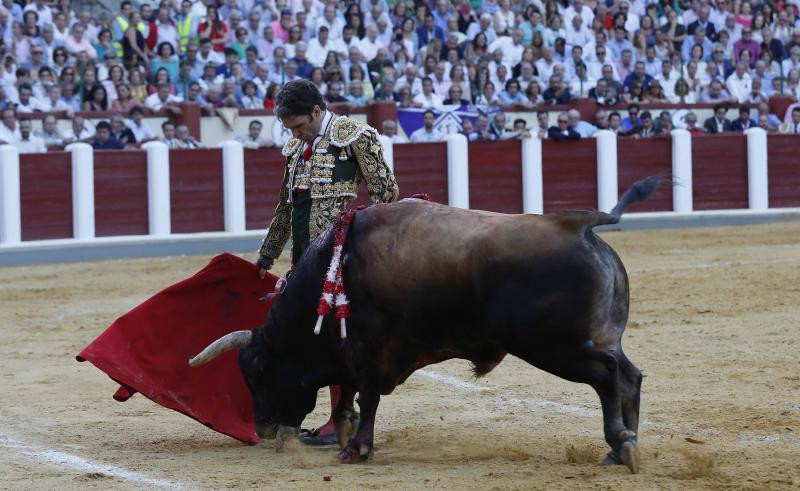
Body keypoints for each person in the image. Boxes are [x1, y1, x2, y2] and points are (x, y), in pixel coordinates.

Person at [256, 80, 398, 447]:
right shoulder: (294, 146)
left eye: (300, 126)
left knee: (340, 335)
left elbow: (386, 195)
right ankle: (323, 417)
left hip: (341, 258)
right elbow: (286, 208)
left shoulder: (355, 136)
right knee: (312, 335)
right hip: (304, 260)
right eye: (290, 130)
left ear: (317, 112)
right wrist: (267, 253)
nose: (297, 135)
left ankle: (342, 419)